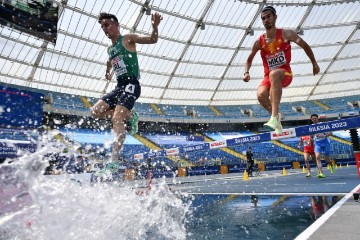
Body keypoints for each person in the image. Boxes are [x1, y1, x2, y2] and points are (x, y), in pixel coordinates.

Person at [90, 12, 163, 164]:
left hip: (131, 84)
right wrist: (107, 72)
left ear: (117, 26)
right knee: (95, 112)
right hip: (119, 87)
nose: (104, 28)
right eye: (102, 26)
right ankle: (130, 116)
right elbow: (110, 61)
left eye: (107, 25)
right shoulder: (110, 49)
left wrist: (155, 27)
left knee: (117, 118)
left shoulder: (127, 39)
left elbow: (152, 40)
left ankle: (114, 161)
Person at [243, 6, 320, 135]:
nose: (266, 20)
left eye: (268, 16)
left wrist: (314, 63)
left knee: (274, 74)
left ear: (275, 17)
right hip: (269, 76)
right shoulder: (259, 42)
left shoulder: (287, 34)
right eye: (263, 18)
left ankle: (273, 118)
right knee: (261, 94)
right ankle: (277, 118)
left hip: (285, 73)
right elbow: (249, 59)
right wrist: (246, 72)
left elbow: (305, 46)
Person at [310, 114, 335, 178]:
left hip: (326, 142)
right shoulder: (311, 127)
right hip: (317, 143)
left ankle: (331, 165)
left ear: (318, 118)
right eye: (313, 119)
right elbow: (311, 136)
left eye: (315, 118)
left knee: (327, 159)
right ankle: (321, 172)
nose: (314, 120)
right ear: (311, 119)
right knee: (317, 157)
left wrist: (324, 135)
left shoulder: (323, 125)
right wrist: (311, 139)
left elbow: (331, 133)